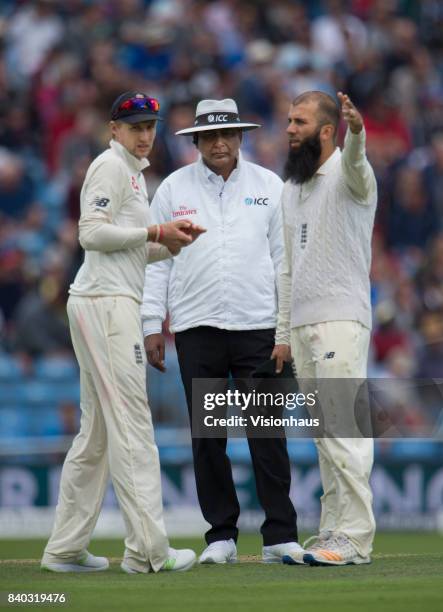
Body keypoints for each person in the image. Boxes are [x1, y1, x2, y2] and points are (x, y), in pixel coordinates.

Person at [41, 91, 205, 574]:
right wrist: (155, 234)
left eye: (150, 125)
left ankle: (65, 548)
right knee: (133, 425)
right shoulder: (110, 167)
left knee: (95, 435)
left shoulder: (133, 173)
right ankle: (149, 552)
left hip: (107, 302)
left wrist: (169, 242)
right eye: (134, 125)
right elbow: (90, 233)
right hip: (106, 306)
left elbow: (125, 247)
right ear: (114, 129)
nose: (145, 133)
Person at [141, 98, 305, 565]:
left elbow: (284, 262)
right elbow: (156, 263)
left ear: (241, 137)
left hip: (259, 328)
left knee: (267, 433)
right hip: (197, 328)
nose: (219, 143)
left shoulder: (269, 186)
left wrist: (285, 329)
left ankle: (279, 536)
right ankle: (221, 537)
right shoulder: (174, 188)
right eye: (209, 136)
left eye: (227, 134)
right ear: (195, 141)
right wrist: (153, 323)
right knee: (208, 438)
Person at [272, 91, 377, 565]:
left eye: (300, 121)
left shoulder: (352, 176)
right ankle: (334, 531)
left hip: (340, 319)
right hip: (304, 324)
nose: (290, 129)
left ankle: (356, 537)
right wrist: (283, 334)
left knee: (343, 429)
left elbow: (356, 161)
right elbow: (287, 271)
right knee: (323, 434)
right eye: (289, 120)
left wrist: (358, 133)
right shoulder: (291, 188)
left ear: (328, 130)